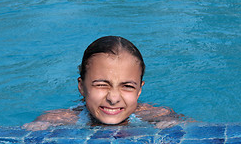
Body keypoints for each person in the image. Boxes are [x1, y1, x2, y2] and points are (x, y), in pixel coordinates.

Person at [23, 36, 186, 131]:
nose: (113, 98)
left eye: (127, 86)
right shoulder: (60, 118)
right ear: (81, 87)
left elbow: (193, 128)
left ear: (139, 90)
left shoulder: (155, 115)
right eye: (101, 85)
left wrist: (175, 126)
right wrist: (38, 128)